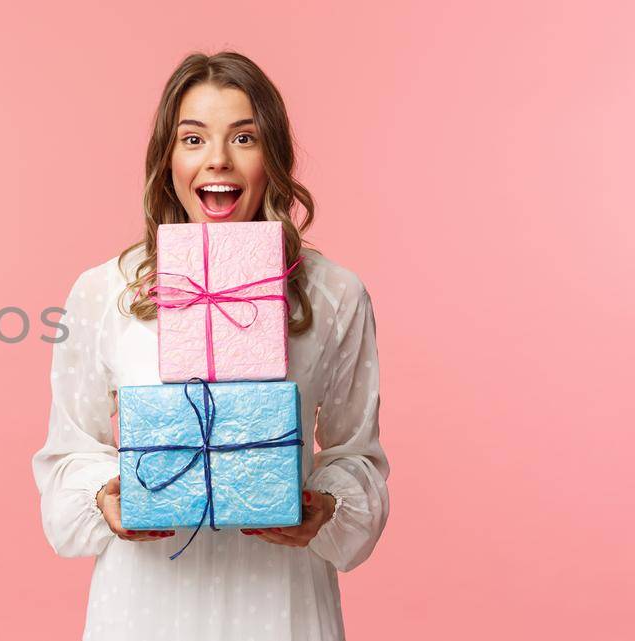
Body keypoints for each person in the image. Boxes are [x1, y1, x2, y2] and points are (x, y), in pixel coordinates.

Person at [31, 51, 390, 640]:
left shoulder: (332, 293)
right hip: (145, 603)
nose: (217, 159)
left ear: (272, 156)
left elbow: (357, 453)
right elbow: (69, 449)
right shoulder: (106, 290)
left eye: (244, 137)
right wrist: (104, 496)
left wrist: (325, 506)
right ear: (167, 159)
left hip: (280, 600)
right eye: (192, 138)